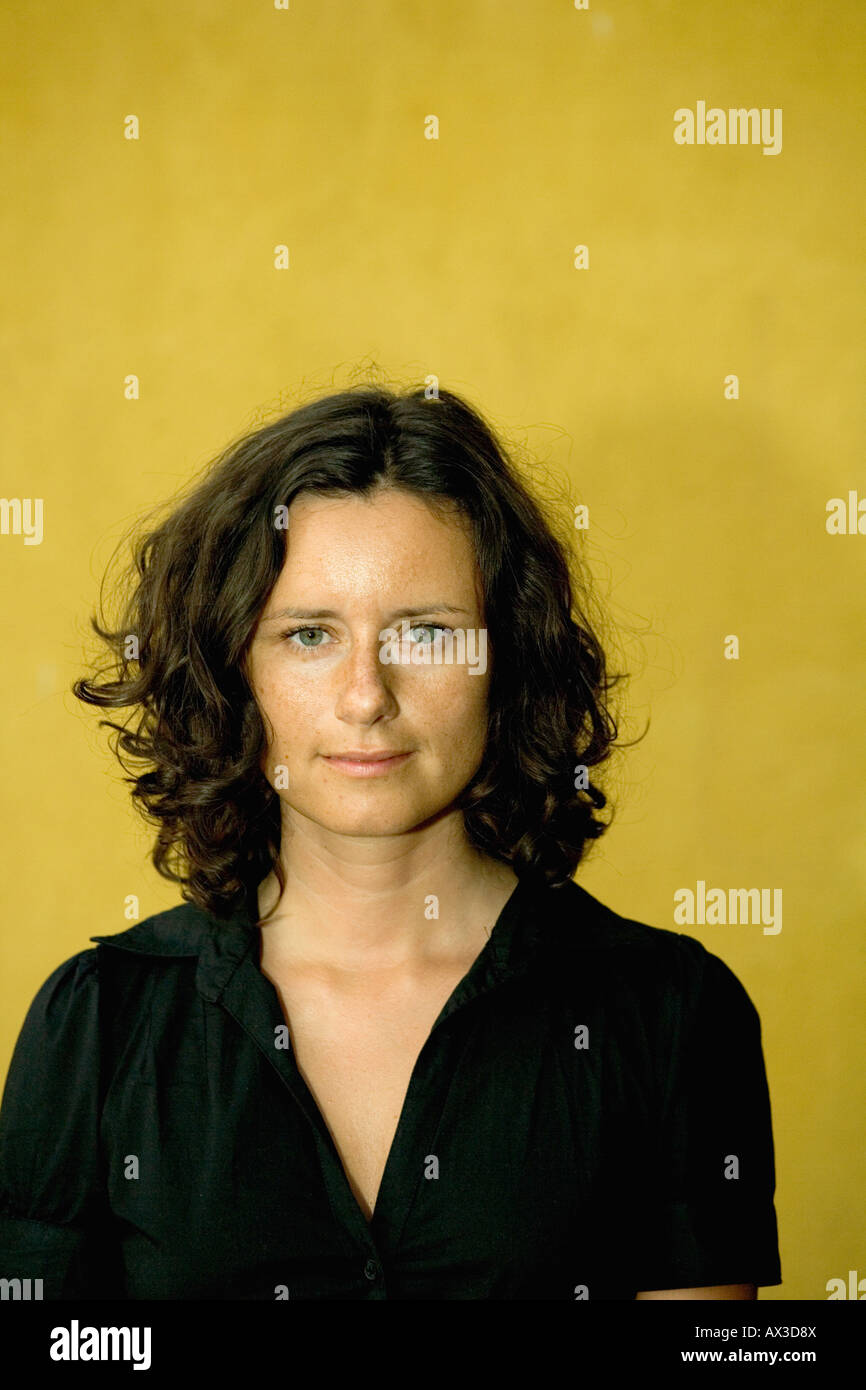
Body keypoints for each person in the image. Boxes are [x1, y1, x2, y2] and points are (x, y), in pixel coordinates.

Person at [0, 383, 781, 1300]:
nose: (366, 695)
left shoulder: (671, 1016)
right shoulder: (96, 1024)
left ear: (508, 659)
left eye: (426, 632)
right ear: (233, 669)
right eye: (308, 635)